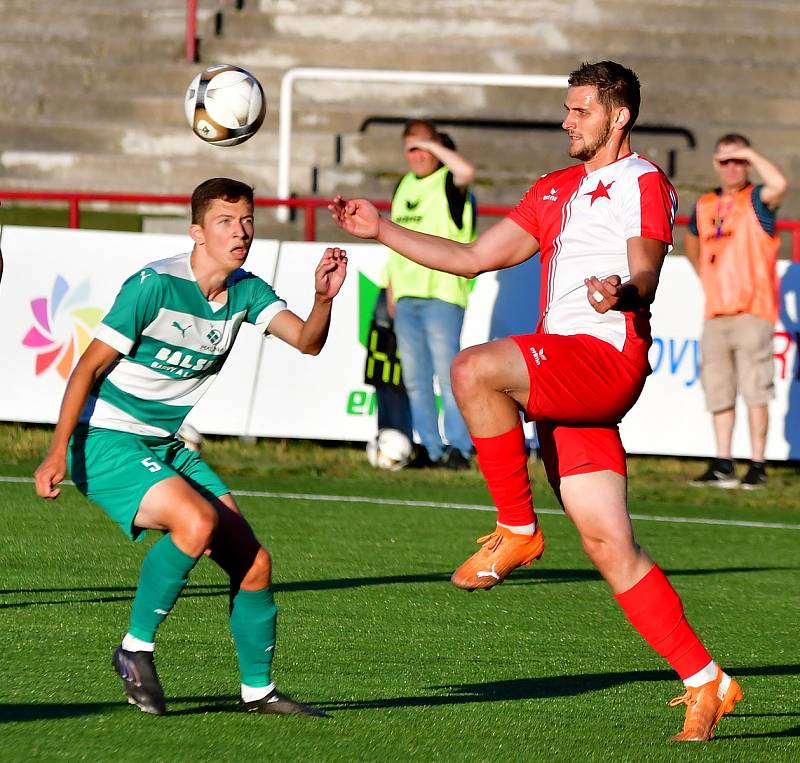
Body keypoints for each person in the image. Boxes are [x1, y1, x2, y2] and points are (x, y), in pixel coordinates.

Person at [331, 61, 742, 742]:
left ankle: (518, 529)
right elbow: (471, 258)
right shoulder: (554, 190)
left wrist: (628, 292)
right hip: (563, 377)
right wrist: (380, 231)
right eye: (567, 108)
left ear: (619, 116)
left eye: (579, 110)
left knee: (473, 368)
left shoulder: (643, 182)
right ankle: (707, 681)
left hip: (603, 357)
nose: (566, 121)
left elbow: (646, 265)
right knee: (612, 546)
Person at [34, 177, 347, 718]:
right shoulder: (153, 285)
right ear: (197, 232)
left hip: (164, 444)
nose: (241, 232)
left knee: (254, 563)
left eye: (247, 220)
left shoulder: (246, 292)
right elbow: (86, 367)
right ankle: (134, 650)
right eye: (226, 222)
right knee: (197, 523)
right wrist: (57, 451)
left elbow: (308, 342)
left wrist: (322, 299)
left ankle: (258, 692)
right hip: (105, 438)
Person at [684, 134, 788, 489]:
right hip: (716, 313)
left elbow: (780, 184)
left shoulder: (756, 198)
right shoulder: (706, 202)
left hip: (752, 310)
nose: (732, 167)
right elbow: (692, 237)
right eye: (725, 160)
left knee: (756, 389)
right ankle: (723, 461)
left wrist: (751, 153)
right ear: (715, 163)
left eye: (738, 160)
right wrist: (703, 274)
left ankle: (757, 464)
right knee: (719, 390)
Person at [386, 120, 476, 469]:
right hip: (407, 296)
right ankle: (431, 448)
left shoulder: (449, 182)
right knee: (415, 380)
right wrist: (392, 289)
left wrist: (433, 145)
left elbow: (467, 170)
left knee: (448, 376)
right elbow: (394, 243)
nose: (418, 156)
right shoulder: (403, 185)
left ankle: (459, 448)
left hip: (443, 294)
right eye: (411, 148)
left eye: (424, 148)